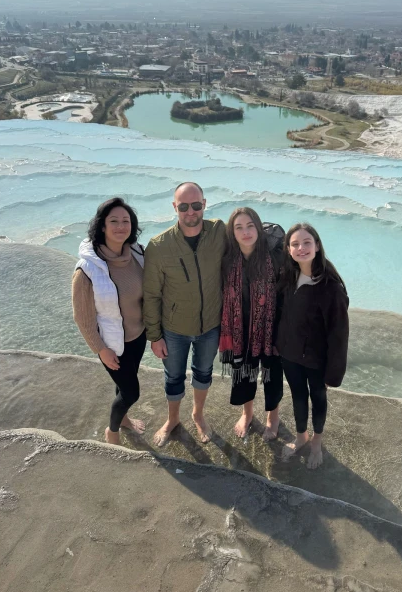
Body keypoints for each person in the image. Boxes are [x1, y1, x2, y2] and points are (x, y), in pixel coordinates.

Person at [143, 182, 226, 446]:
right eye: (183, 206)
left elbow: (250, 239)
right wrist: (154, 336)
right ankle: (173, 419)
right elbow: (152, 295)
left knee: (204, 372)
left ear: (204, 204)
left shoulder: (219, 232)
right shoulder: (158, 246)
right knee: (174, 377)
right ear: (174, 207)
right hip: (174, 329)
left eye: (196, 205)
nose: (191, 212)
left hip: (211, 326)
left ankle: (198, 415)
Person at [72, 197, 146, 446]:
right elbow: (82, 319)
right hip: (112, 343)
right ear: (102, 226)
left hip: (138, 336)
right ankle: (112, 431)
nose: (120, 226)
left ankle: (123, 419)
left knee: (124, 385)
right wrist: (100, 349)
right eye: (113, 221)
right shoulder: (87, 269)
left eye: (126, 221)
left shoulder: (137, 252)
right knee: (131, 392)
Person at [276, 223, 349, 469]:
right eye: (295, 244)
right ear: (288, 249)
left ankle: (316, 441)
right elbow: (280, 315)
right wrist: (279, 344)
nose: (301, 248)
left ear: (317, 245)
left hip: (317, 360)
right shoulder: (287, 276)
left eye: (307, 242)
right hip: (290, 354)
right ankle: (300, 437)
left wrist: (334, 372)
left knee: (318, 398)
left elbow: (339, 335)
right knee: (297, 396)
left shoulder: (331, 287)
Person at [220, 208, 285, 441]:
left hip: (271, 329)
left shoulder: (276, 256)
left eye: (250, 226)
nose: (245, 232)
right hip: (240, 331)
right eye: (239, 227)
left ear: (258, 227)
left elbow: (288, 291)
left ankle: (272, 417)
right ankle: (247, 414)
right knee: (244, 375)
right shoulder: (228, 260)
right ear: (232, 232)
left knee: (272, 376)